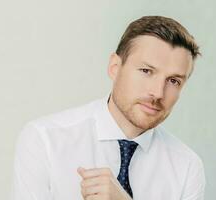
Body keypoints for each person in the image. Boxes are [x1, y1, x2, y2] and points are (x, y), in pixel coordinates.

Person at [12, 16, 206, 200]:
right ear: (115, 67)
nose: (157, 93)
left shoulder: (187, 167)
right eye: (146, 71)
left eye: (173, 81)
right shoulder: (45, 140)